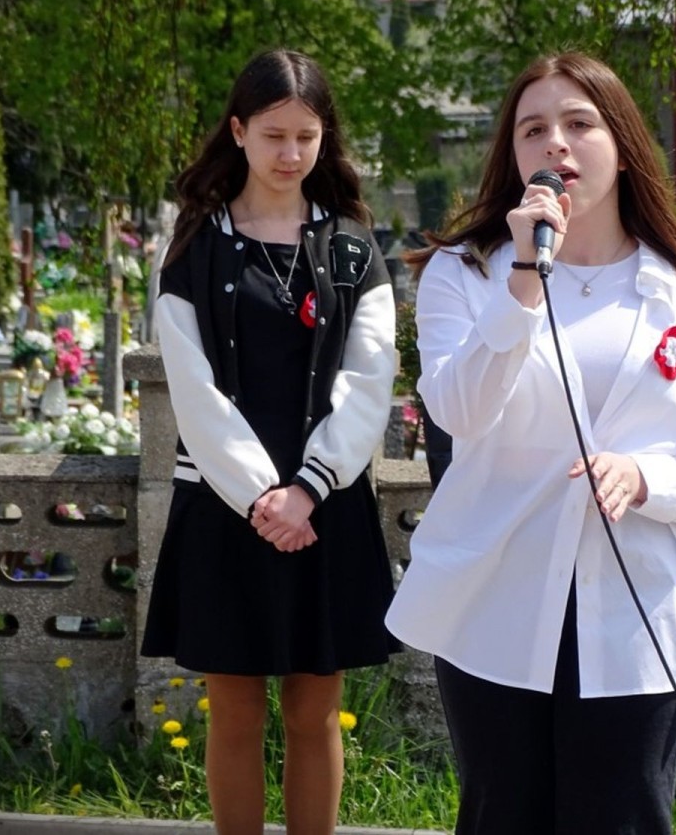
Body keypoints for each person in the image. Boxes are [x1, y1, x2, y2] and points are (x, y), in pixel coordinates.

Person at [385, 52, 676, 835]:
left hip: (638, 612)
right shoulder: (465, 275)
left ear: (623, 146)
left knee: (623, 814)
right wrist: (522, 280)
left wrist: (648, 477)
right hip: (494, 604)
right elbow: (459, 411)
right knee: (503, 815)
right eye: (533, 129)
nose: (556, 144)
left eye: (579, 124)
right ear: (513, 155)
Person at [140, 48, 400, 835]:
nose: (291, 154)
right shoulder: (191, 249)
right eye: (274, 135)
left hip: (325, 504)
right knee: (235, 712)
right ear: (238, 132)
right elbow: (194, 390)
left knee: (315, 712)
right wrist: (263, 495)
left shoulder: (353, 248)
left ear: (326, 139)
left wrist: (308, 488)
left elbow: (370, 376)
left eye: (307, 137)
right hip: (228, 505)